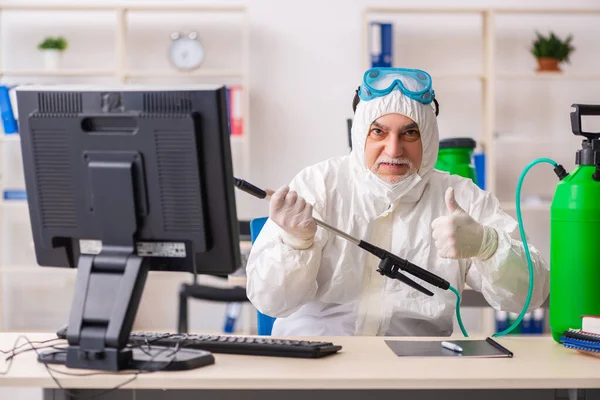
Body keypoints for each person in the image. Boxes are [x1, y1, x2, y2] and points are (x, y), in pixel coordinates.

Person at [246, 67, 549, 336]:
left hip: (414, 370)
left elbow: (532, 295)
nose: (394, 149)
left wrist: (489, 246)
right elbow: (270, 302)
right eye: (379, 132)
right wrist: (296, 244)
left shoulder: (460, 196)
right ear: (361, 134)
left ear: (428, 139)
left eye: (410, 133)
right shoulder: (318, 184)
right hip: (317, 362)